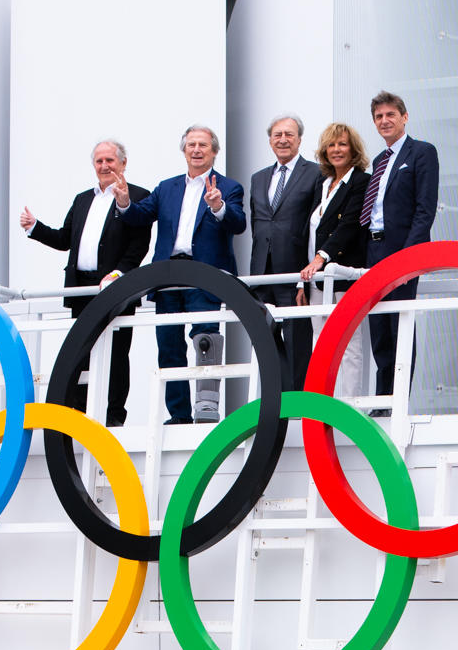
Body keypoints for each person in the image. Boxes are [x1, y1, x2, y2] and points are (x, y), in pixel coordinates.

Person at [114, 124, 246, 424]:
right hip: (169, 275)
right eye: (191, 145)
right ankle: (179, 415)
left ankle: (207, 408)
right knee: (169, 345)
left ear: (214, 152)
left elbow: (238, 224)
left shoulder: (229, 187)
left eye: (203, 145)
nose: (197, 150)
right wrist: (123, 201)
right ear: (184, 151)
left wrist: (219, 206)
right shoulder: (166, 187)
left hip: (205, 275)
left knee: (206, 339)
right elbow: (138, 216)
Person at [19, 139, 150, 425]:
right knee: (81, 352)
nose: (104, 166)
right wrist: (35, 228)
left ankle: (114, 416)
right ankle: (78, 413)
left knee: (117, 354)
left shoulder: (138, 195)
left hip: (116, 287)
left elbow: (140, 244)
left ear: (123, 164)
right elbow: (65, 239)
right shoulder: (82, 199)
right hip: (82, 289)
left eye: (110, 161)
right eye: (99, 161)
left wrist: (120, 272)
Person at [358, 90, 439, 414]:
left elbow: (425, 209)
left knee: (399, 325)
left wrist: (409, 257)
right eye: (379, 117)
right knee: (378, 327)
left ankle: (398, 400)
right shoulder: (378, 161)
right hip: (374, 249)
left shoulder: (421, 153)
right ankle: (382, 400)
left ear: (404, 117)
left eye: (390, 115)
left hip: (402, 251)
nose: (385, 121)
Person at [246, 114, 322, 389]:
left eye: (289, 134)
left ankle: (296, 403)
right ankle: (272, 401)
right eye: (277, 135)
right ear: (269, 140)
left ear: (300, 139)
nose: (283, 140)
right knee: (265, 341)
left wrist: (307, 274)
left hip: (295, 272)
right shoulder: (258, 178)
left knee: (296, 340)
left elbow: (315, 225)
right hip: (262, 273)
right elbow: (259, 224)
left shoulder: (315, 173)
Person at [297, 122, 372, 394]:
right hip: (315, 279)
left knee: (349, 343)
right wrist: (301, 282)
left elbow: (349, 225)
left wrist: (321, 258)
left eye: (342, 144)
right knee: (320, 343)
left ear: (353, 149)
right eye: (331, 144)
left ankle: (349, 405)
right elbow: (309, 232)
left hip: (343, 274)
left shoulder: (361, 181)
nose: (336, 150)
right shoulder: (323, 183)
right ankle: (323, 405)